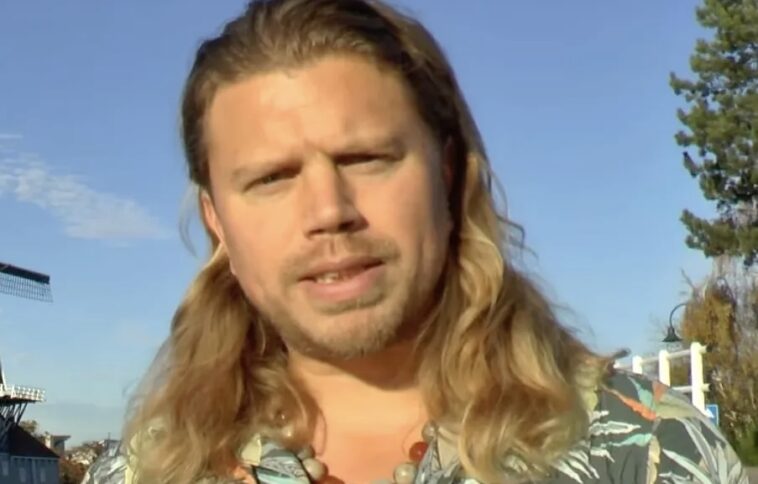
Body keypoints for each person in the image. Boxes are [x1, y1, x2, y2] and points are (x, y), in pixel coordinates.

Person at [84, 0, 748, 483]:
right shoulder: (146, 471)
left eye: (367, 159)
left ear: (448, 174)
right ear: (217, 222)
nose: (329, 212)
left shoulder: (649, 452)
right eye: (272, 178)